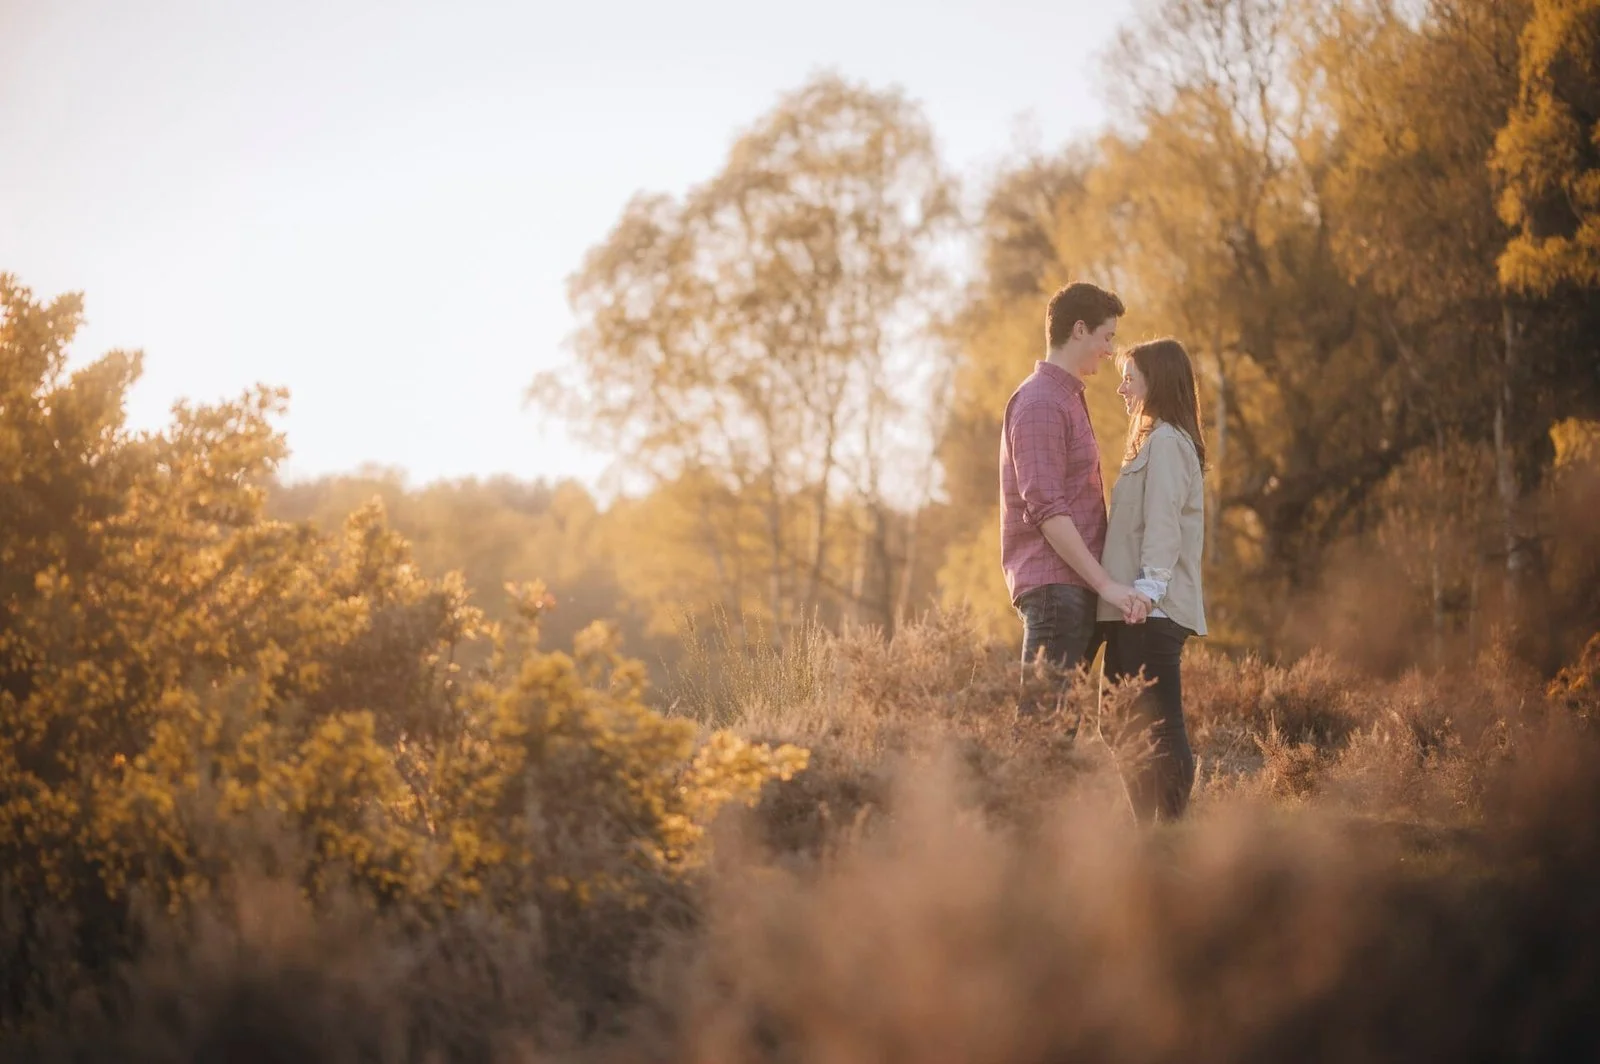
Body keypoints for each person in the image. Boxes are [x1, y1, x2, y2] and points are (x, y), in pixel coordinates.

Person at [1000, 282, 1141, 715]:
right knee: (1040, 743)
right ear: (1079, 330)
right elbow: (1046, 509)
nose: (1109, 349)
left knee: (1055, 741)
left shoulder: (1065, 399)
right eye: (1107, 336)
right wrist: (1106, 585)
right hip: (1057, 592)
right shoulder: (1041, 402)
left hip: (1071, 591)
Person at [1097, 337, 1209, 823]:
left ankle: (1169, 832)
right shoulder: (1153, 440)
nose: (1121, 388)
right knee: (1118, 722)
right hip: (1135, 607)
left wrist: (1147, 593)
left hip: (1152, 609)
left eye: (1130, 378)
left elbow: (1163, 523)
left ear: (1155, 382)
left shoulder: (1166, 442)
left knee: (1159, 725)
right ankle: (1149, 831)